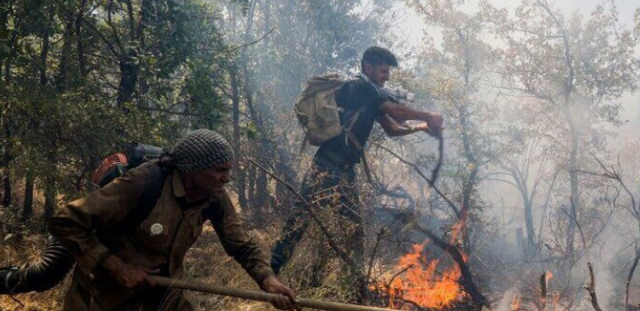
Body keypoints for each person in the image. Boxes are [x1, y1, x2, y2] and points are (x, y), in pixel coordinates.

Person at [46, 129, 298, 310]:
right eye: (220, 170)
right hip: (104, 296)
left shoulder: (214, 196)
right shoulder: (143, 184)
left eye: (228, 170)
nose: (227, 178)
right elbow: (65, 221)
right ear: (192, 170)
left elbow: (241, 245)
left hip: (165, 295)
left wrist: (268, 280)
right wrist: (117, 266)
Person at [270, 46, 443, 276]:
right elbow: (397, 112)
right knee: (299, 221)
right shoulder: (361, 87)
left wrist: (422, 127)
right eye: (383, 71)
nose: (387, 77)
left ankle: (355, 284)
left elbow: (392, 128)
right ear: (368, 67)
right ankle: (271, 272)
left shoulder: (371, 97)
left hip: (345, 172)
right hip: (326, 166)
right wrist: (427, 116)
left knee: (354, 232)